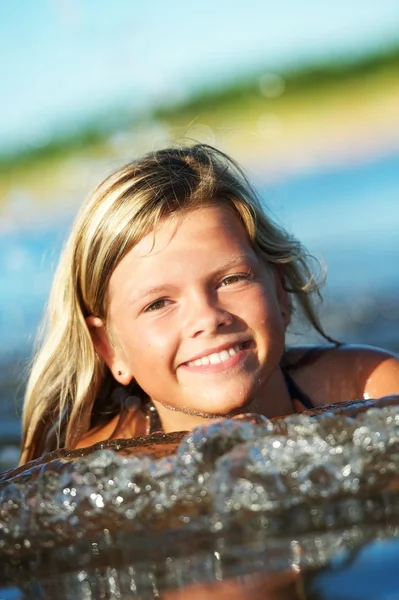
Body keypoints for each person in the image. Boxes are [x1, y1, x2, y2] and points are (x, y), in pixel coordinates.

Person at [20, 144, 399, 465]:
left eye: (231, 279)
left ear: (280, 294)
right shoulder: (92, 468)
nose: (207, 318)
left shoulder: (369, 390)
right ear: (109, 349)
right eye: (158, 303)